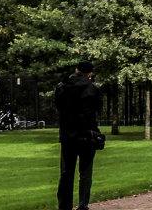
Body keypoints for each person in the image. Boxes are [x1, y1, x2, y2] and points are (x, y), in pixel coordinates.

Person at [55, 60, 103, 210]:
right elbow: (98, 108)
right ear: (90, 74)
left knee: (66, 172)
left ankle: (64, 205)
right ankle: (83, 204)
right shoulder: (94, 89)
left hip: (68, 135)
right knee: (85, 172)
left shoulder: (62, 87)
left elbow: (58, 107)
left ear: (76, 70)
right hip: (87, 134)